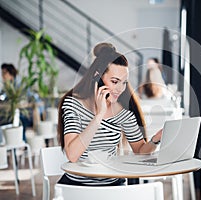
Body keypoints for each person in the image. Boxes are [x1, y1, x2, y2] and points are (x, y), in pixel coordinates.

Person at [57, 43, 162, 186]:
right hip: (77, 187)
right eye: (114, 81)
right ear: (98, 77)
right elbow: (73, 155)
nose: (120, 89)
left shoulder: (123, 113)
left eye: (124, 83)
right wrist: (99, 115)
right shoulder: (73, 105)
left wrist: (155, 140)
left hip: (112, 185)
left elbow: (140, 152)